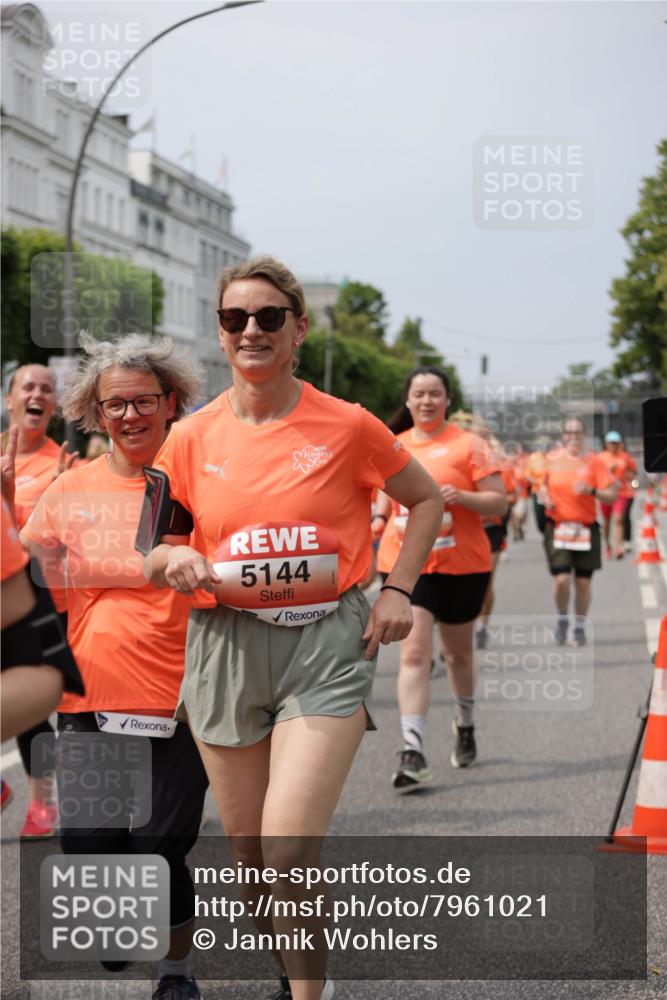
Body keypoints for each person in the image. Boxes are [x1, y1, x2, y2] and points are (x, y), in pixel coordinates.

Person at [145, 255, 443, 1000]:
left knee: (285, 852)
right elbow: (155, 543)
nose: (252, 330)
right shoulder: (187, 438)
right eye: (235, 319)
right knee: (251, 863)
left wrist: (396, 587)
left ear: (298, 330)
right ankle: (296, 970)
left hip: (324, 642)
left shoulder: (347, 425)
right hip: (223, 647)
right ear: (220, 335)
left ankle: (311, 994)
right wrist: (172, 562)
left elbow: (427, 500)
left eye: (269, 317)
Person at [21, 333, 209, 1000]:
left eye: (144, 401)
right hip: (91, 699)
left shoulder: (201, 486)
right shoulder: (71, 489)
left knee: (161, 851)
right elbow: (25, 577)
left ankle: (176, 973)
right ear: (96, 414)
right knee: (89, 844)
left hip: (184, 703)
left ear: (173, 403)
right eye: (115, 405)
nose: (131, 416)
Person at [374, 368, 507, 791]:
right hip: (406, 565)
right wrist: (378, 518)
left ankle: (465, 723)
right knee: (413, 654)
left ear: (447, 400)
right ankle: (411, 750)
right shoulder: (393, 444)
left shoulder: (471, 445)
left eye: (435, 394)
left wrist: (460, 496)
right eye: (419, 394)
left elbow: (499, 503)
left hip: (463, 564)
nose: (427, 401)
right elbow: (381, 487)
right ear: (408, 401)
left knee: (458, 656)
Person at [1, 365, 78, 839]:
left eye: (47, 389)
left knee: (35, 714)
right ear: (9, 399)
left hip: (38, 597)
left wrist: (54, 496)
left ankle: (42, 803)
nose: (38, 393)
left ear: (53, 406)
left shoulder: (63, 464)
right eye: (27, 386)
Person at [538, 417, 616, 646]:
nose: (573, 437)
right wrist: (543, 495)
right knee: (561, 579)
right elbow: (539, 485)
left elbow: (611, 494)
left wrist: (592, 490)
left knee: (582, 583)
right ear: (563, 435)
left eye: (578, 433)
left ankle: (580, 624)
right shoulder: (550, 460)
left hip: (585, 529)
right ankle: (562, 616)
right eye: (569, 433)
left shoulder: (595, 462)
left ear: (584, 435)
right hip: (559, 527)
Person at [476, 436, 517, 650]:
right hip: (459, 531)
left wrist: (486, 502)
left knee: (484, 583)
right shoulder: (454, 464)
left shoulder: (498, 469)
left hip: (490, 530)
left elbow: (510, 497)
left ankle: (482, 625)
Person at [597, 430, 637, 560]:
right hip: (606, 493)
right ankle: (608, 545)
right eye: (611, 443)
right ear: (606, 444)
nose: (613, 445)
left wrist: (628, 475)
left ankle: (618, 547)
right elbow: (594, 474)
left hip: (621, 492)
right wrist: (608, 471)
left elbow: (633, 472)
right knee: (607, 521)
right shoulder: (600, 458)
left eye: (616, 443)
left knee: (619, 519)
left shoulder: (625, 457)